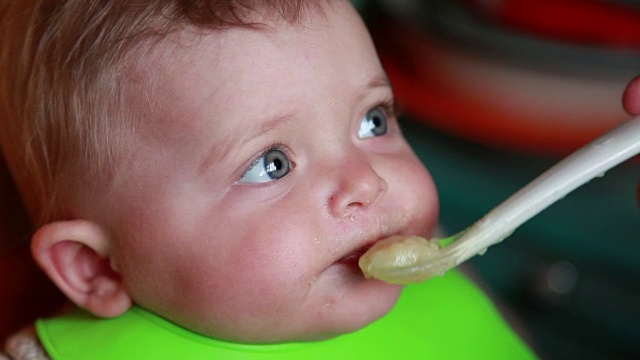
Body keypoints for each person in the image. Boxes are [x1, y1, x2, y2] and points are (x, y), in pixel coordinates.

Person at [0, 1, 536, 358]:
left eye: (373, 120)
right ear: (97, 266)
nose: (366, 182)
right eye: (270, 164)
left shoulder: (454, 285)